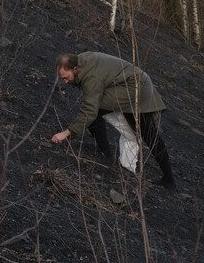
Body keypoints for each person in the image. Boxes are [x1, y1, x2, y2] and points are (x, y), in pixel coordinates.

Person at [51, 51, 176, 189]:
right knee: (96, 108)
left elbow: (90, 110)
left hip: (137, 89)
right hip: (127, 84)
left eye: (66, 77)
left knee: (149, 134)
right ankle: (105, 152)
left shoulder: (91, 76)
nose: (65, 82)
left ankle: (169, 180)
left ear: (74, 69)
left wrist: (67, 132)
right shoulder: (82, 62)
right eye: (63, 79)